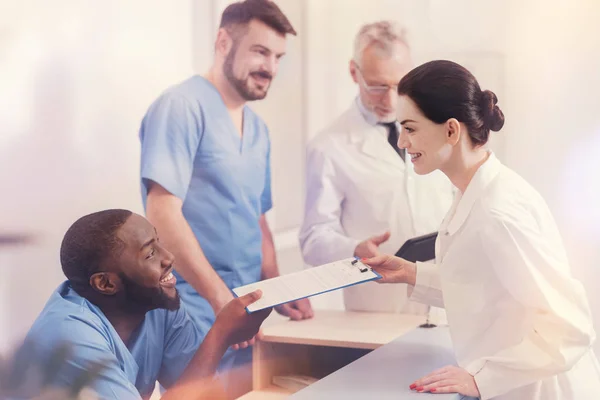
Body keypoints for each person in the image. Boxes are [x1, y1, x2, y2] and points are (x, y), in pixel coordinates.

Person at [362, 60, 600, 399]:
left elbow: (570, 328)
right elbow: (484, 288)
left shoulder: (497, 212)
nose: (401, 142)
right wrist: (411, 274)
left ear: (451, 131)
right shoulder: (474, 190)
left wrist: (481, 379)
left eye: (410, 128)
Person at [138, 0, 313, 395]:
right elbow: (162, 211)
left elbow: (257, 216)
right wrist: (220, 301)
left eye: (278, 56)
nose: (270, 67)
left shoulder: (258, 128)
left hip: (246, 312)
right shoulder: (181, 107)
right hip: (195, 309)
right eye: (260, 51)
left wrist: (278, 288)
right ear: (222, 41)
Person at [22, 209, 271, 399]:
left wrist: (221, 336)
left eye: (159, 242)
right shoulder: (70, 337)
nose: (169, 258)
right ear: (106, 283)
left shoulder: (157, 303)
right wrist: (220, 335)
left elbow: (202, 393)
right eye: (150, 253)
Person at [299, 21, 452, 313]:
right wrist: (354, 249)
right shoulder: (328, 146)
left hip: (444, 306)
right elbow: (313, 238)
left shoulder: (436, 128)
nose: (391, 100)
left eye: (400, 85)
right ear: (354, 72)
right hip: (379, 310)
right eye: (378, 87)